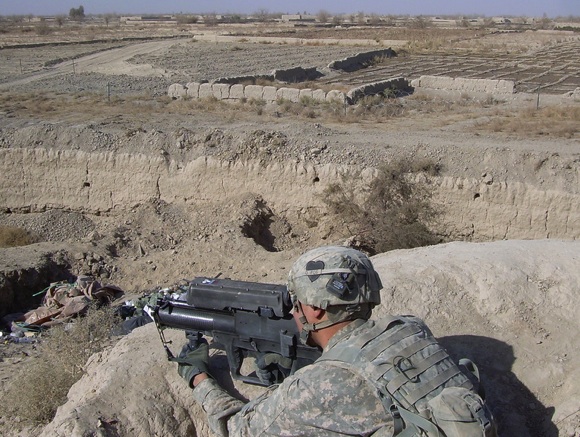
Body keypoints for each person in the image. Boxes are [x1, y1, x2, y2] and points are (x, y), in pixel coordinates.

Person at [176, 246, 495, 436]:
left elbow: (236, 430)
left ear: (314, 309)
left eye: (295, 301)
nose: (293, 308)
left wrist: (198, 376)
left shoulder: (321, 384)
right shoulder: (411, 328)